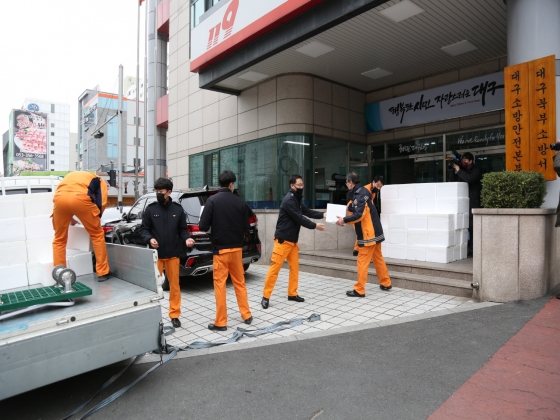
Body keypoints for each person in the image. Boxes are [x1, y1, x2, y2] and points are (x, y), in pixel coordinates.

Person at [261, 174, 326, 309]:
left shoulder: (296, 199)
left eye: (302, 184)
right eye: (299, 185)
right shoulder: (289, 200)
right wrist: (315, 226)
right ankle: (265, 297)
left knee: (294, 269)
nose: (301, 187)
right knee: (274, 269)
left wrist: (323, 214)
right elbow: (299, 218)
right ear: (292, 185)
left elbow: (307, 211)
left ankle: (292, 293)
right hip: (283, 241)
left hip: (292, 242)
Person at [199, 170, 253, 331]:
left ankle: (221, 322)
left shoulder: (212, 200)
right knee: (240, 283)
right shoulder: (240, 201)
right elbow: (247, 226)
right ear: (231, 184)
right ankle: (247, 315)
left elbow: (203, 226)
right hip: (236, 250)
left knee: (220, 285)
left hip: (220, 251)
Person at [138, 178, 194, 328]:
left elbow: (183, 230)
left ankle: (174, 315)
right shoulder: (151, 209)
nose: (158, 194)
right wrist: (150, 239)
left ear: (169, 192)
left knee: (174, 287)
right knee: (153, 287)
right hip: (156, 256)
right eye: (156, 191)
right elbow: (143, 229)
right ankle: (151, 316)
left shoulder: (177, 209)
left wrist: (187, 239)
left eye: (161, 192)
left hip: (173, 255)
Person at [336, 172, 392, 296]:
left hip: (368, 234)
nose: (346, 185)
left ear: (350, 182)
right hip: (376, 231)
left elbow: (359, 215)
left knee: (362, 261)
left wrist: (344, 220)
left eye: (347, 183)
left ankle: (359, 289)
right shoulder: (364, 191)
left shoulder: (359, 194)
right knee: (378, 258)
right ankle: (386, 283)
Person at [52, 171, 112, 281]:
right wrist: (97, 218)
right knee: (97, 234)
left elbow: (65, 197)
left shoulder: (73, 176)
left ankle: (60, 274)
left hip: (59, 198)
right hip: (80, 198)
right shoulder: (100, 180)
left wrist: (71, 219)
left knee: (59, 239)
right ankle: (103, 272)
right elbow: (101, 202)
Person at [448, 152, 482, 256]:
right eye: (462, 161)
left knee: (472, 226)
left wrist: (459, 171)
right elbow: (453, 182)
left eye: (465, 161)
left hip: (473, 201)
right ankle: (464, 249)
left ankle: (473, 250)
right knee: (462, 225)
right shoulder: (461, 170)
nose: (463, 162)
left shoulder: (476, 170)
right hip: (462, 202)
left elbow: (469, 179)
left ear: (471, 161)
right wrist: (452, 170)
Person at [352, 175, 384, 256]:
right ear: (373, 182)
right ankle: (357, 249)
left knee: (361, 232)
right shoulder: (365, 191)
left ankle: (357, 249)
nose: (379, 188)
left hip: (362, 213)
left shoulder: (373, 192)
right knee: (360, 231)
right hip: (358, 213)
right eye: (378, 185)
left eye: (380, 187)